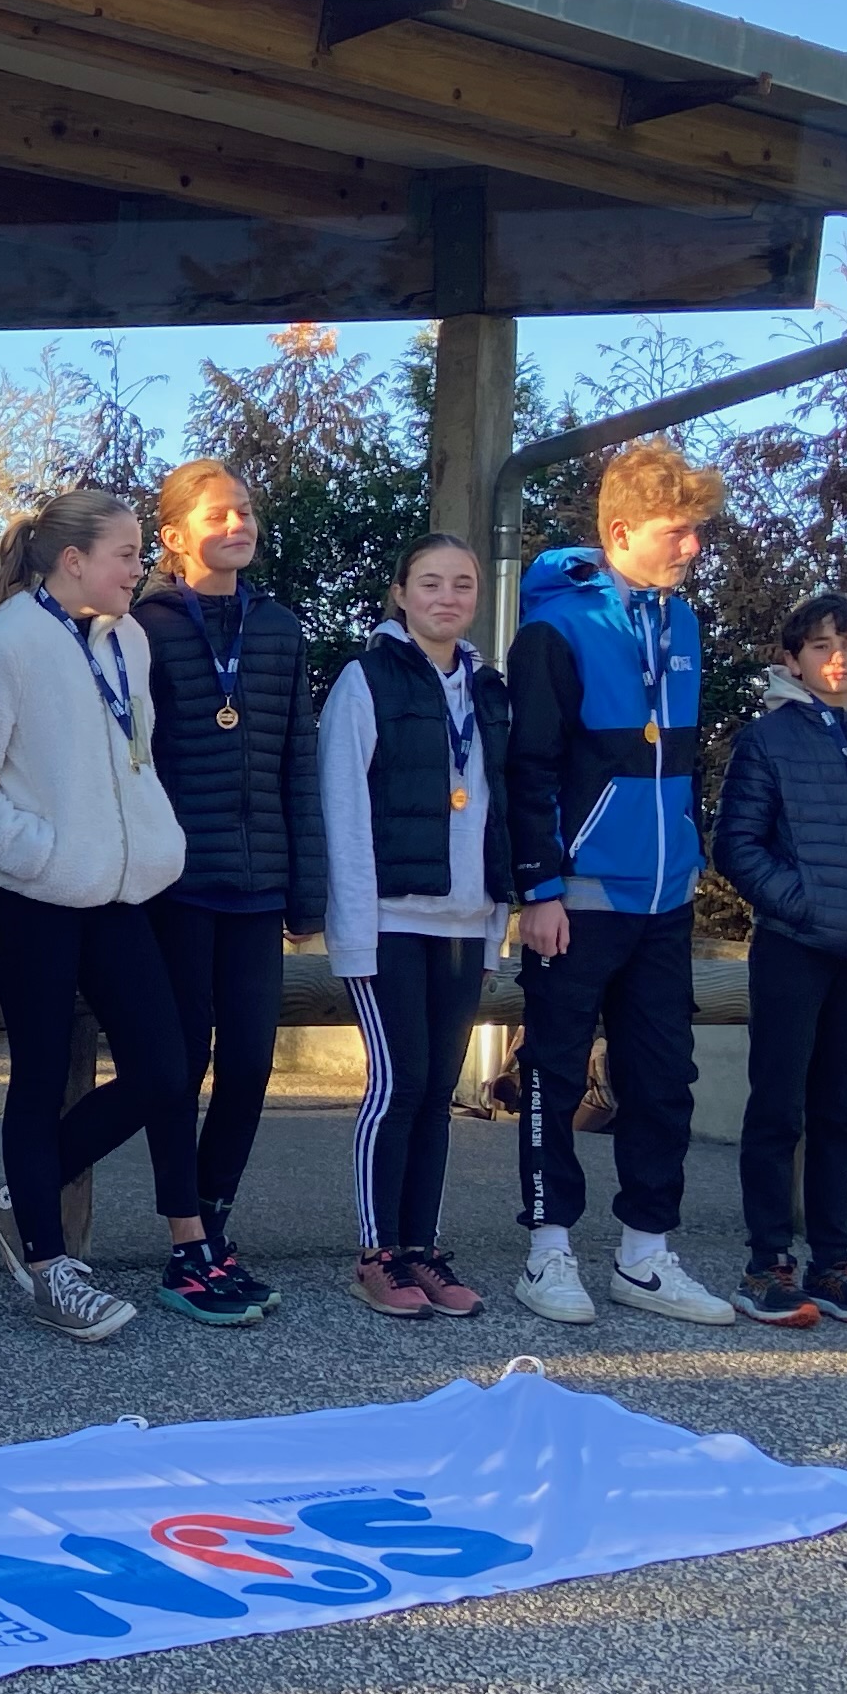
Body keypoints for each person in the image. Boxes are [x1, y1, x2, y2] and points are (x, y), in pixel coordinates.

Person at [0, 488, 211, 1340]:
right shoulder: (8, 644)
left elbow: (136, 757)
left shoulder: (128, 639)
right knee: (42, 1075)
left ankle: (27, 1194)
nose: (141, 568)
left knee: (167, 1068)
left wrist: (145, 842)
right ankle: (50, 1265)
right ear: (73, 560)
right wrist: (41, 852)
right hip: (32, 894)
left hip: (119, 891)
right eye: (125, 554)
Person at [504, 436, 735, 1327]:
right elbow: (532, 768)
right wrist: (542, 890)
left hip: (665, 897)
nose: (693, 547)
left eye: (700, 531)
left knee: (663, 1075)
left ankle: (645, 1255)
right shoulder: (556, 628)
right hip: (581, 895)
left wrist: (688, 849)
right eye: (680, 531)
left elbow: (680, 764)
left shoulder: (683, 625)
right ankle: (548, 1250)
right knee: (553, 1077)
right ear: (623, 528)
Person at [133, 458, 322, 1320]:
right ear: (174, 536)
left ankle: (214, 1223)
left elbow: (299, 762)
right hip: (177, 883)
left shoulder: (281, 629)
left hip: (258, 882)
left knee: (249, 1065)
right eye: (219, 513)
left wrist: (305, 892)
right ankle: (183, 1247)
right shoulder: (145, 626)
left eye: (246, 509)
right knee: (179, 1066)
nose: (239, 522)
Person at [713, 591, 847, 1332]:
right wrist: (802, 904)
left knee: (839, 1115)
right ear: (793, 660)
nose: (838, 658)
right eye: (820, 646)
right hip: (795, 948)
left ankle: (833, 1263)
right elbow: (735, 846)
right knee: (778, 1110)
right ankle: (766, 1265)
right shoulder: (767, 741)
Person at [316, 534, 512, 1321]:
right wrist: (354, 931)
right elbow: (343, 809)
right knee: (396, 1085)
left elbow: (499, 813)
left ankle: (421, 1246)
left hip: (465, 922)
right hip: (392, 918)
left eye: (463, 584)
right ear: (400, 593)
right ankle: (377, 1252)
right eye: (430, 582)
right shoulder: (366, 680)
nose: (448, 596)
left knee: (438, 1091)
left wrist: (497, 922)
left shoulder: (489, 689)